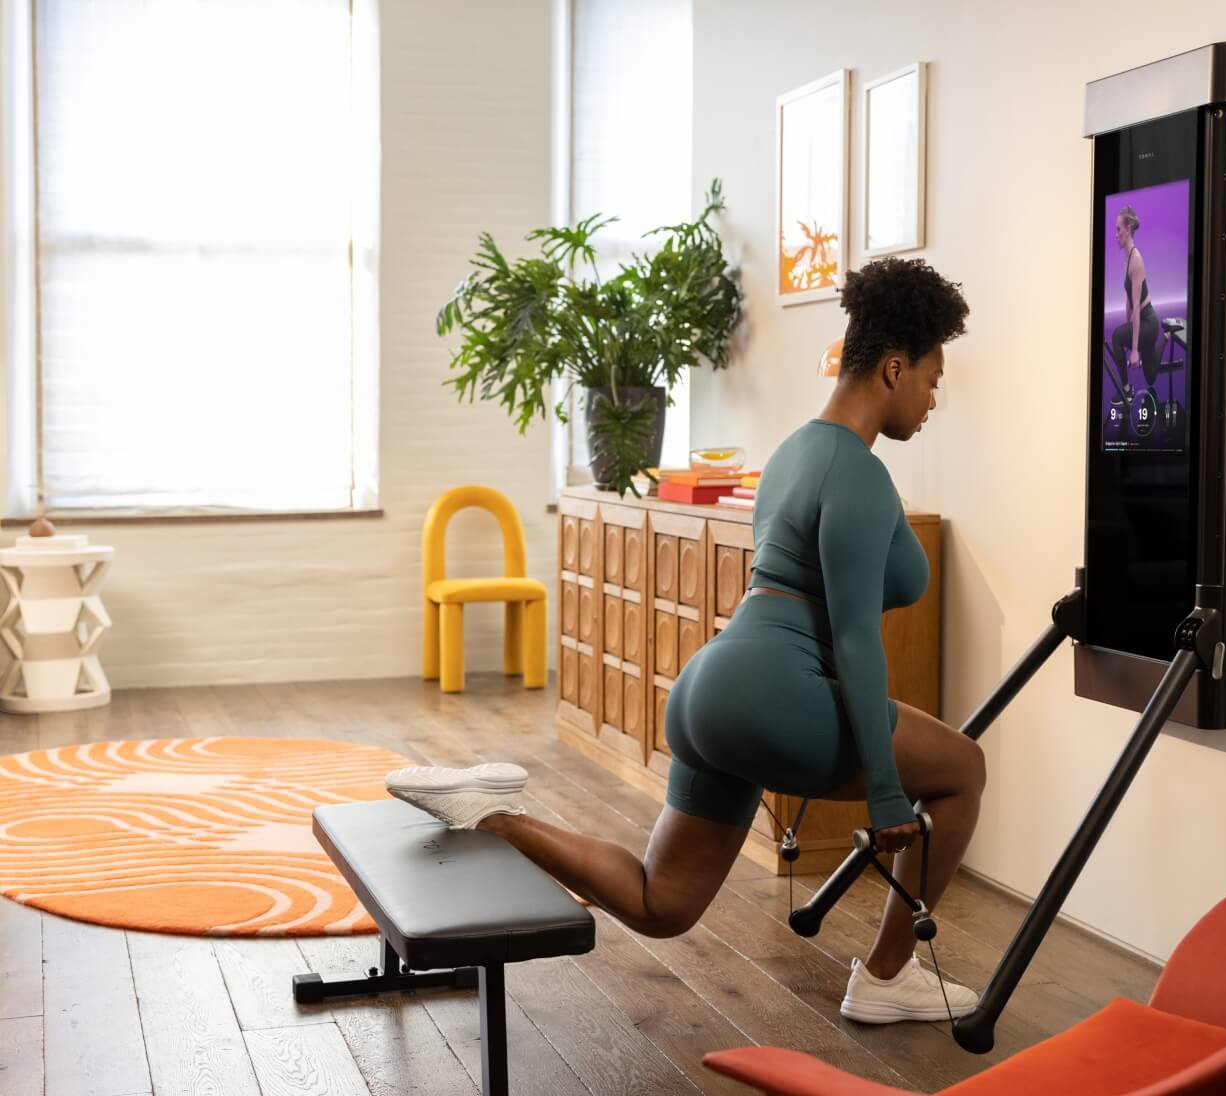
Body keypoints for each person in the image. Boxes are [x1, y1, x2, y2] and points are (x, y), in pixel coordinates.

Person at [388, 257, 987, 1024]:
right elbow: (855, 643)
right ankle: (886, 976)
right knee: (961, 769)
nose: (935, 399)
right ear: (895, 369)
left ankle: (490, 811)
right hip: (773, 691)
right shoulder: (859, 478)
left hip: (709, 686)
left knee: (660, 901)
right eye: (933, 379)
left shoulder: (797, 454)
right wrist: (880, 789)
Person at [1110, 205, 1161, 400]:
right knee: (1150, 377)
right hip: (1142, 321)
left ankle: (1126, 390)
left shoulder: (1136, 260)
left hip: (1148, 321)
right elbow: (1128, 301)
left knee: (1116, 337)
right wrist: (1128, 326)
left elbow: (1138, 308)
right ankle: (1165, 339)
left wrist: (1133, 350)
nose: (1116, 235)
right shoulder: (1127, 260)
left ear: (1128, 229)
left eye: (1118, 229)